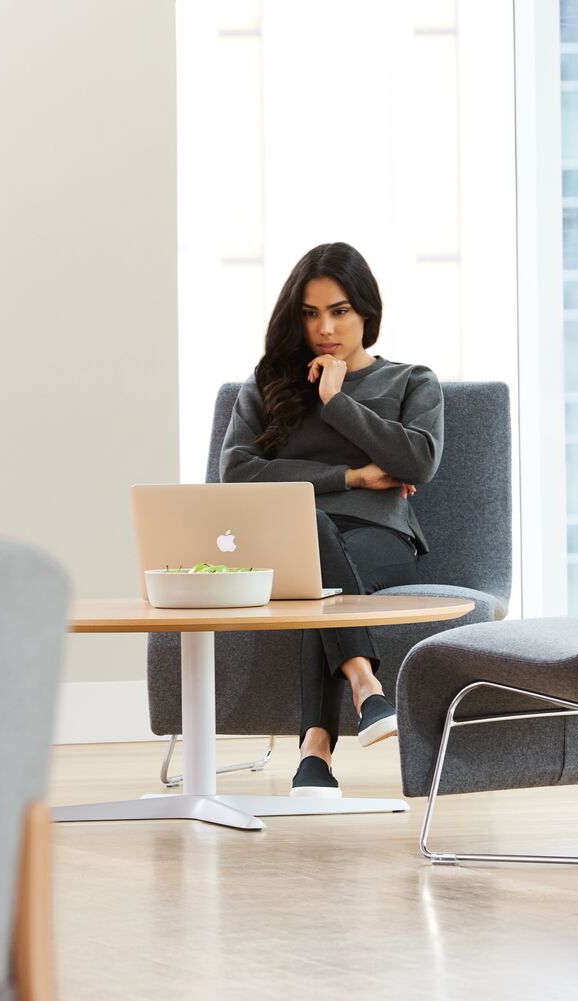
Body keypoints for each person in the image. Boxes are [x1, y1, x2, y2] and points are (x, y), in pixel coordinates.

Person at [220, 242, 444, 797]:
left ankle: (314, 753)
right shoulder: (269, 385)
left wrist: (337, 400)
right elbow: (236, 473)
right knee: (311, 531)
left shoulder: (412, 380)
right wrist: (353, 477)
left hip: (381, 540)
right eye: (310, 313)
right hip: (295, 540)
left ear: (366, 311)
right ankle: (366, 686)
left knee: (315, 562)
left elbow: (418, 461)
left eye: (339, 311)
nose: (324, 328)